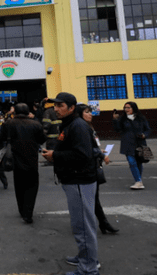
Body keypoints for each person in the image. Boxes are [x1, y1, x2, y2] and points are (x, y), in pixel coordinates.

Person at [41, 93, 100, 275]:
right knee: (80, 224)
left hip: (80, 181)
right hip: (74, 181)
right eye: (55, 106)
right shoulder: (70, 124)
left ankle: (89, 268)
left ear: (72, 108)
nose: (56, 109)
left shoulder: (78, 126)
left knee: (83, 226)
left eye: (60, 106)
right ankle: (85, 257)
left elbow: (83, 155)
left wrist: (54, 155)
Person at [0, 103, 46, 223]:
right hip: (31, 158)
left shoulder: (9, 123)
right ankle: (28, 212)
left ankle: (22, 209)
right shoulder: (35, 124)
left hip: (15, 158)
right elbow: (42, 139)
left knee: (19, 186)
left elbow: (1, 138)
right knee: (32, 186)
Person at [77, 104, 119, 235]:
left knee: (94, 197)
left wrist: (99, 151)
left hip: (93, 165)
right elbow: (84, 149)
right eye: (87, 112)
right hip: (85, 168)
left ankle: (102, 223)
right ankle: (101, 223)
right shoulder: (80, 128)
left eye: (90, 112)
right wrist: (100, 154)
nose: (90, 114)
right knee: (91, 197)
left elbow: (91, 146)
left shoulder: (89, 127)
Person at [113, 101, 151, 190]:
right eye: (125, 108)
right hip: (127, 144)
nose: (126, 109)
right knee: (131, 162)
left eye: (128, 107)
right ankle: (138, 181)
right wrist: (115, 120)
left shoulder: (141, 118)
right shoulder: (123, 119)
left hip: (140, 143)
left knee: (139, 162)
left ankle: (138, 179)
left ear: (134, 108)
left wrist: (144, 135)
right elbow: (117, 130)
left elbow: (148, 129)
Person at [41, 98, 61, 167]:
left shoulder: (48, 111)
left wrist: (43, 134)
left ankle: (51, 161)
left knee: (50, 148)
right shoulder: (57, 111)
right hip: (58, 134)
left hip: (51, 136)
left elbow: (46, 124)